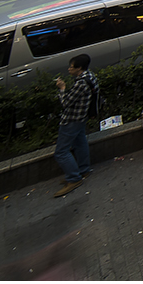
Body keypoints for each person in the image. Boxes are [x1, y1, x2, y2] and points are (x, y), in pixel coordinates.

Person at [51, 53, 101, 197]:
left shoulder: (80, 83)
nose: (69, 70)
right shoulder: (90, 76)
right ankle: (83, 169)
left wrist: (62, 88)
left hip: (72, 119)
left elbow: (66, 103)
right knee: (80, 142)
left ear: (79, 68)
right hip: (82, 117)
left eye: (71, 67)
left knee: (61, 152)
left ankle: (74, 178)